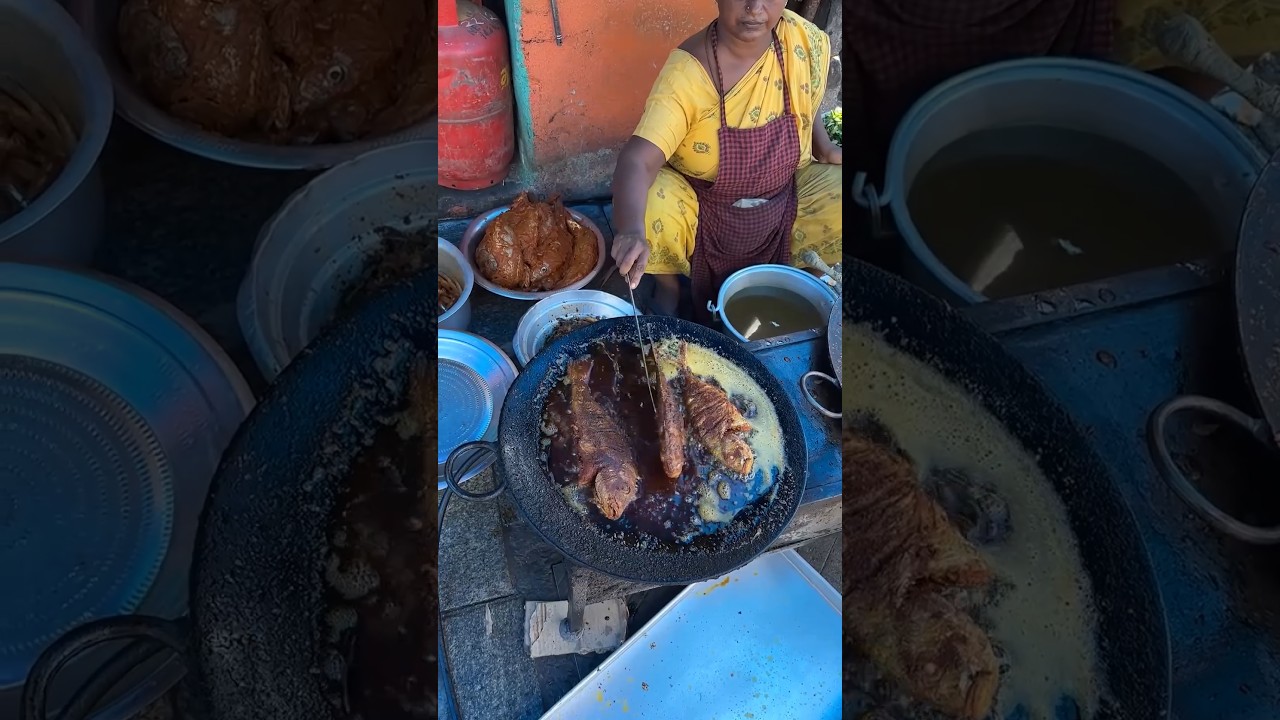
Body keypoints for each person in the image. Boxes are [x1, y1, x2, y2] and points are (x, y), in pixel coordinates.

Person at [609, 0, 842, 320]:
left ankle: (801, 287)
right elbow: (638, 160)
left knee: (846, 193)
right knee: (650, 200)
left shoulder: (799, 40)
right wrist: (631, 230)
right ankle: (670, 290)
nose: (755, 7)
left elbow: (807, 96)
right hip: (706, 209)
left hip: (782, 204)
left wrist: (825, 147)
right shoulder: (690, 71)